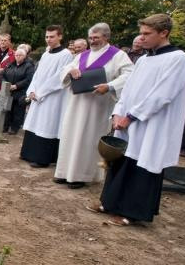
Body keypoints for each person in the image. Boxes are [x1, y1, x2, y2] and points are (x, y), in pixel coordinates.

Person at [92, 14, 185, 225]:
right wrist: (117, 112)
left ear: (164, 33)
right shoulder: (144, 59)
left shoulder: (178, 59)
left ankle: (132, 213)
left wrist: (132, 116)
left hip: (152, 124)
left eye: (147, 34)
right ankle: (109, 203)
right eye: (141, 33)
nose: (142, 38)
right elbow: (127, 89)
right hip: (127, 121)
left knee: (143, 165)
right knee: (121, 162)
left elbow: (163, 94)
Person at [54, 22, 132, 188]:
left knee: (88, 138)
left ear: (106, 37)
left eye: (96, 37)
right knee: (70, 135)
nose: (92, 41)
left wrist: (110, 86)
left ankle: (81, 175)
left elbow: (129, 75)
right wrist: (70, 71)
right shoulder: (82, 55)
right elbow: (66, 69)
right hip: (76, 103)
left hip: (98, 105)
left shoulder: (118, 55)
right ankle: (64, 172)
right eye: (90, 37)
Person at [20, 25, 74, 167]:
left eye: (52, 36)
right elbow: (37, 75)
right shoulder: (46, 54)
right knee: (35, 124)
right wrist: (31, 90)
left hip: (52, 97)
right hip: (37, 95)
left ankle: (42, 158)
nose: (48, 39)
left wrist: (41, 92)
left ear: (60, 36)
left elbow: (59, 78)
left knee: (46, 125)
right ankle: (28, 153)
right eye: (47, 37)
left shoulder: (66, 55)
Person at [1, 47, 35, 134]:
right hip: (8, 90)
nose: (18, 57)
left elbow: (28, 79)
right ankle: (5, 126)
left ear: (24, 56)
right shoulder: (10, 64)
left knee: (17, 111)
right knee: (7, 109)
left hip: (20, 92)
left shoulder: (29, 66)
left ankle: (14, 128)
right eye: (16, 55)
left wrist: (16, 86)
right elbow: (2, 75)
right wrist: (7, 84)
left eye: (20, 55)